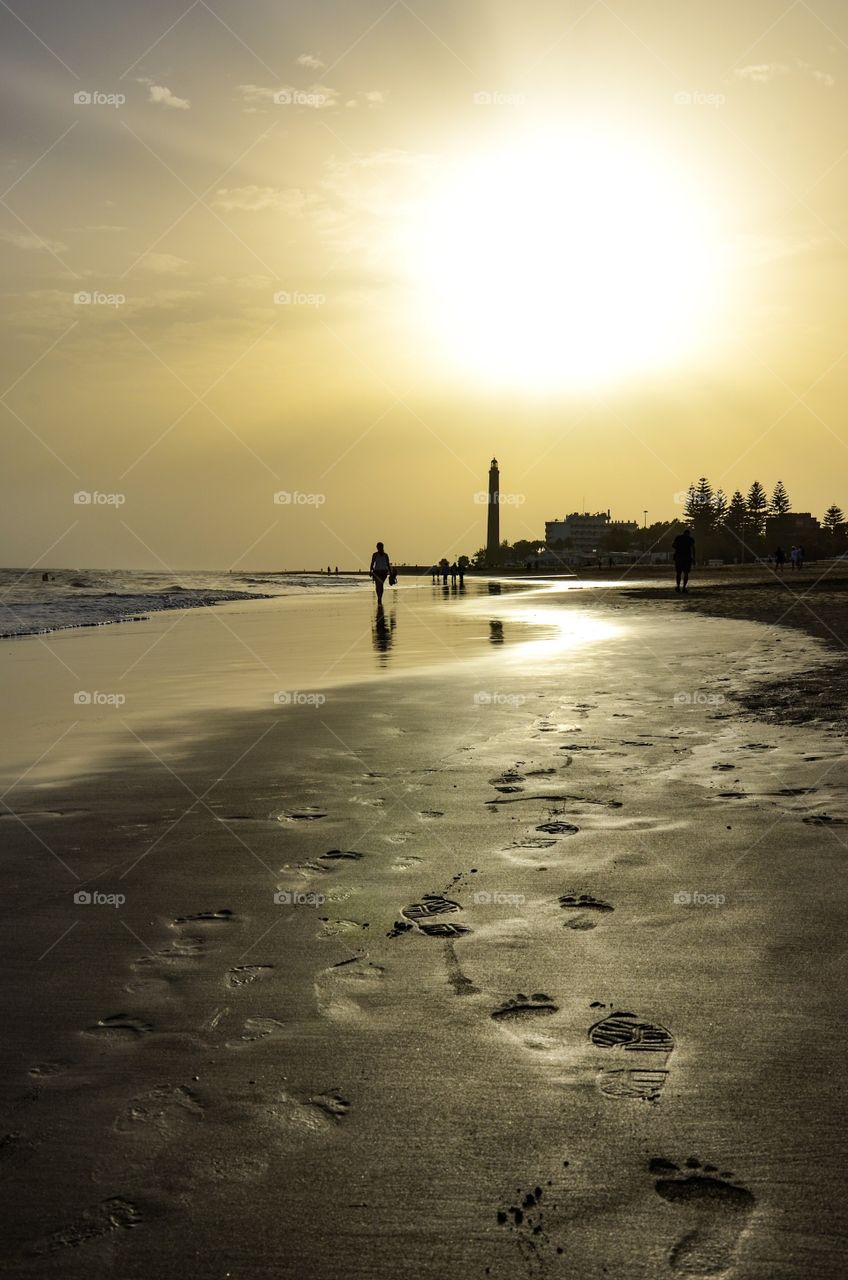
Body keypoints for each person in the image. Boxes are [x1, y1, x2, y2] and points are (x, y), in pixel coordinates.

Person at [672, 526, 696, 593]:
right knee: (686, 573)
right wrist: (694, 558)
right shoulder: (690, 539)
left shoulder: (678, 538)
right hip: (687, 558)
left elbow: (673, 545)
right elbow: (693, 549)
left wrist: (678, 548)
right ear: (688, 533)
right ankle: (684, 587)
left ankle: (678, 586)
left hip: (678, 557)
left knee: (678, 573)